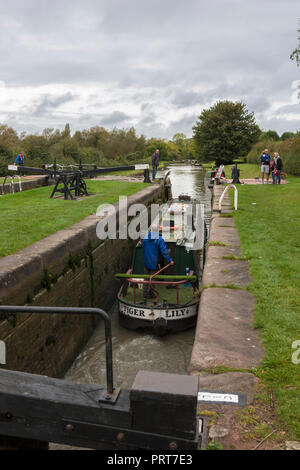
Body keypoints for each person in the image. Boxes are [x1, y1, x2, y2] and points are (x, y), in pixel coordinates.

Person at [142, 230, 174, 299]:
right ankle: (152, 294)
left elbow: (143, 249)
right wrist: (170, 260)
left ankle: (145, 294)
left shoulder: (145, 238)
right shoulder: (159, 239)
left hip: (146, 261)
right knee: (153, 279)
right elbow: (164, 252)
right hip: (154, 262)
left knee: (146, 279)